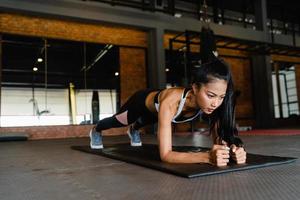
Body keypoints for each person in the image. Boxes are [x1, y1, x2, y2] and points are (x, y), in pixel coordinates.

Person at [89, 57, 247, 167]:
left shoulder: (214, 105)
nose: (216, 103)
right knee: (117, 121)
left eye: (221, 97)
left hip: (156, 114)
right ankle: (96, 130)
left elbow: (218, 143)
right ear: (195, 88)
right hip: (141, 102)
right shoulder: (171, 102)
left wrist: (232, 152)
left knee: (147, 121)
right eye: (211, 95)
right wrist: (207, 157)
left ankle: (135, 129)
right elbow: (166, 155)